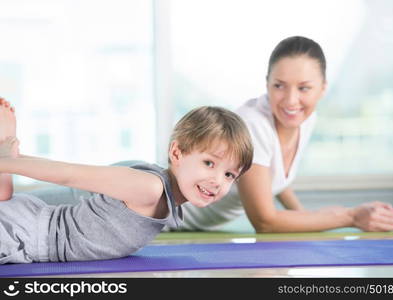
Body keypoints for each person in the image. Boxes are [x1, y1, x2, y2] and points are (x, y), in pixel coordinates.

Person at [172, 36, 393, 233]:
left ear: (323, 88)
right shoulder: (253, 124)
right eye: (279, 86)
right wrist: (351, 216)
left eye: (304, 88)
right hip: (165, 216)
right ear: (267, 84)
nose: (291, 101)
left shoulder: (305, 119)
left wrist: (303, 217)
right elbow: (265, 221)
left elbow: (274, 178)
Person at [0, 98, 253, 264]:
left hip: (27, 228)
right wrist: (12, 161)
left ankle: (6, 163)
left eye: (229, 174)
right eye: (209, 163)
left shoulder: (168, 198)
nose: (218, 180)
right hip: (22, 234)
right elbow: (70, 174)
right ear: (177, 153)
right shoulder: (150, 188)